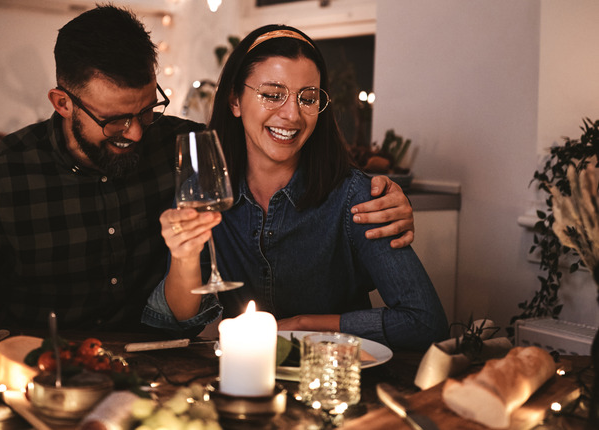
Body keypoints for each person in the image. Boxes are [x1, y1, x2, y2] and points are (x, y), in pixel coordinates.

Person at [0, 6, 415, 333]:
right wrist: (1, 348)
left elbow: (276, 143)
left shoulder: (188, 144)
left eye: (147, 109)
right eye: (115, 119)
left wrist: (382, 193)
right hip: (41, 375)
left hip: (160, 370)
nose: (136, 133)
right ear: (63, 103)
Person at [143, 25, 448, 351]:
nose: (291, 114)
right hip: (239, 381)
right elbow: (179, 321)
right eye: (272, 94)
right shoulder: (206, 193)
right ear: (235, 100)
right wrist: (184, 256)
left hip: (335, 380)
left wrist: (302, 326)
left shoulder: (357, 197)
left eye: (308, 98)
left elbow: (426, 322)